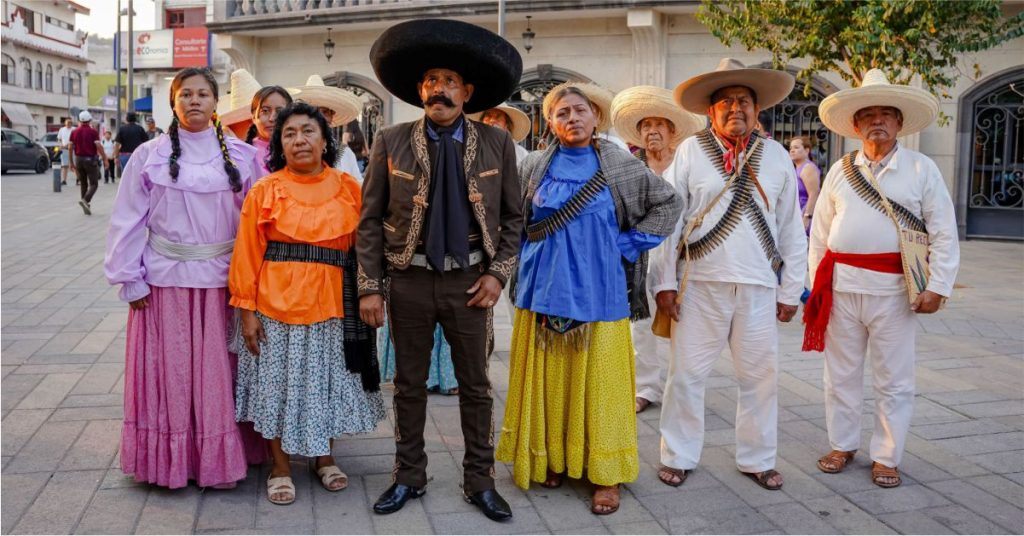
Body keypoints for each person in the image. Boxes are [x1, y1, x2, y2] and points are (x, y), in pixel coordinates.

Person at [359, 18, 524, 521]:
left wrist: (497, 275)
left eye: (450, 82)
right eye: (432, 81)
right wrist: (370, 288)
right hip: (408, 280)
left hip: (471, 282)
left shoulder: (498, 144)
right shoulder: (390, 140)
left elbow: (515, 218)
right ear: (419, 90)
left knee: (475, 386)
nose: (440, 90)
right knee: (407, 386)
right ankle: (408, 475)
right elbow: (368, 220)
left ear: (467, 92)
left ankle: (480, 480)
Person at [498, 82, 681, 516]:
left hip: (601, 292)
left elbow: (668, 204)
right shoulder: (536, 166)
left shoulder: (618, 163)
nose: (572, 119)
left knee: (603, 383)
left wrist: (630, 243)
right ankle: (554, 457)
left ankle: (605, 474)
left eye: (580, 111)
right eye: (562, 113)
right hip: (543, 290)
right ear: (551, 122)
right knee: (550, 378)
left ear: (596, 117)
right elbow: (514, 219)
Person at [649, 58, 807, 491]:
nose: (736, 108)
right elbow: (670, 220)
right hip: (697, 285)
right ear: (710, 111)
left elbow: (792, 226)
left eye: (744, 101)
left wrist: (791, 289)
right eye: (726, 102)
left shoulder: (776, 156)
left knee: (760, 377)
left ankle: (757, 458)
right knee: (685, 375)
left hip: (758, 286)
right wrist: (663, 283)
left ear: (757, 111)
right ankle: (677, 454)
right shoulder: (689, 151)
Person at [104, 67, 263, 489]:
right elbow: (127, 219)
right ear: (173, 103)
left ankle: (223, 458)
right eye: (185, 94)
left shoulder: (243, 157)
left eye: (203, 94)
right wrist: (128, 276)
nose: (194, 101)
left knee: (220, 373)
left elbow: (257, 225)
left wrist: (258, 282)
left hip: (223, 282)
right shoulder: (148, 155)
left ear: (216, 104)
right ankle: (168, 461)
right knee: (170, 371)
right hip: (164, 280)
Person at [807, 68, 960, 488]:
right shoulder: (839, 170)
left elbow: (943, 230)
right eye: (868, 113)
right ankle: (842, 444)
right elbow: (819, 235)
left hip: (895, 291)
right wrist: (813, 288)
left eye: (886, 113)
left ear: (898, 122)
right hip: (841, 289)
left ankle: (887, 456)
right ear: (855, 124)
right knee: (839, 373)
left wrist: (939, 285)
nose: (877, 120)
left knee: (894, 378)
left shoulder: (921, 168)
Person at [230, 102, 386, 505]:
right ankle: (280, 466)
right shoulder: (266, 190)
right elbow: (247, 253)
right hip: (274, 306)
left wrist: (373, 292)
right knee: (277, 387)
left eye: (308, 132)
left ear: (324, 139)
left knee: (327, 385)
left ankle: (324, 457)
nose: (299, 140)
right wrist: (246, 312)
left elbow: (369, 247)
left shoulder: (351, 187)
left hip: (336, 306)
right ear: (279, 144)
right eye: (289, 134)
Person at [610, 85, 704, 414]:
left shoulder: (687, 166)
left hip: (682, 261)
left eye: (658, 125)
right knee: (639, 327)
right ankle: (645, 387)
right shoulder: (629, 170)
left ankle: (683, 387)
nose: (652, 132)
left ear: (672, 131)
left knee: (685, 325)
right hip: (640, 259)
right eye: (646, 126)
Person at [219, 68, 293, 178]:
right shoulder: (239, 155)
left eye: (280, 111)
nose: (272, 118)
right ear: (253, 116)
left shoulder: (300, 149)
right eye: (265, 111)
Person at [288, 75, 364, 182]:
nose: (319, 117)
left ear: (331, 116)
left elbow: (358, 188)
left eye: (325, 112)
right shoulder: (291, 149)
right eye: (313, 111)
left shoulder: (345, 153)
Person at [69, 111, 103, 215]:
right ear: (90, 120)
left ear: (79, 120)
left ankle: (86, 205)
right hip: (90, 160)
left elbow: (70, 147)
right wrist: (105, 158)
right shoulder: (93, 132)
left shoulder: (74, 132)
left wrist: (71, 162)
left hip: (78, 159)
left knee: (83, 183)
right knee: (94, 184)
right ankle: (85, 200)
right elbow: (98, 146)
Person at [788, 135, 821, 234]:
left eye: (796, 147)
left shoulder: (808, 168)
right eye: (791, 148)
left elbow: (814, 194)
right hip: (797, 217)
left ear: (807, 150)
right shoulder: (796, 169)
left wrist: (807, 218)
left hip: (805, 218)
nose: (792, 150)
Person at [114, 112, 148, 178]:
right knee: (136, 176)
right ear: (135, 119)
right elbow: (146, 143)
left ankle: (126, 188)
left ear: (127, 118)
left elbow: (117, 144)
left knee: (126, 176)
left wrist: (116, 157)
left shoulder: (122, 129)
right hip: (137, 156)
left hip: (124, 156)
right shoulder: (140, 128)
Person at [57, 118, 74, 185]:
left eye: (69, 124)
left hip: (73, 149)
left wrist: (68, 144)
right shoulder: (62, 129)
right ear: (65, 124)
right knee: (64, 165)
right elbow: (59, 139)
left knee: (74, 165)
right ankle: (64, 180)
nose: (68, 125)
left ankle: (78, 179)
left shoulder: (74, 129)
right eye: (67, 124)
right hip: (64, 149)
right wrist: (60, 145)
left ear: (71, 124)